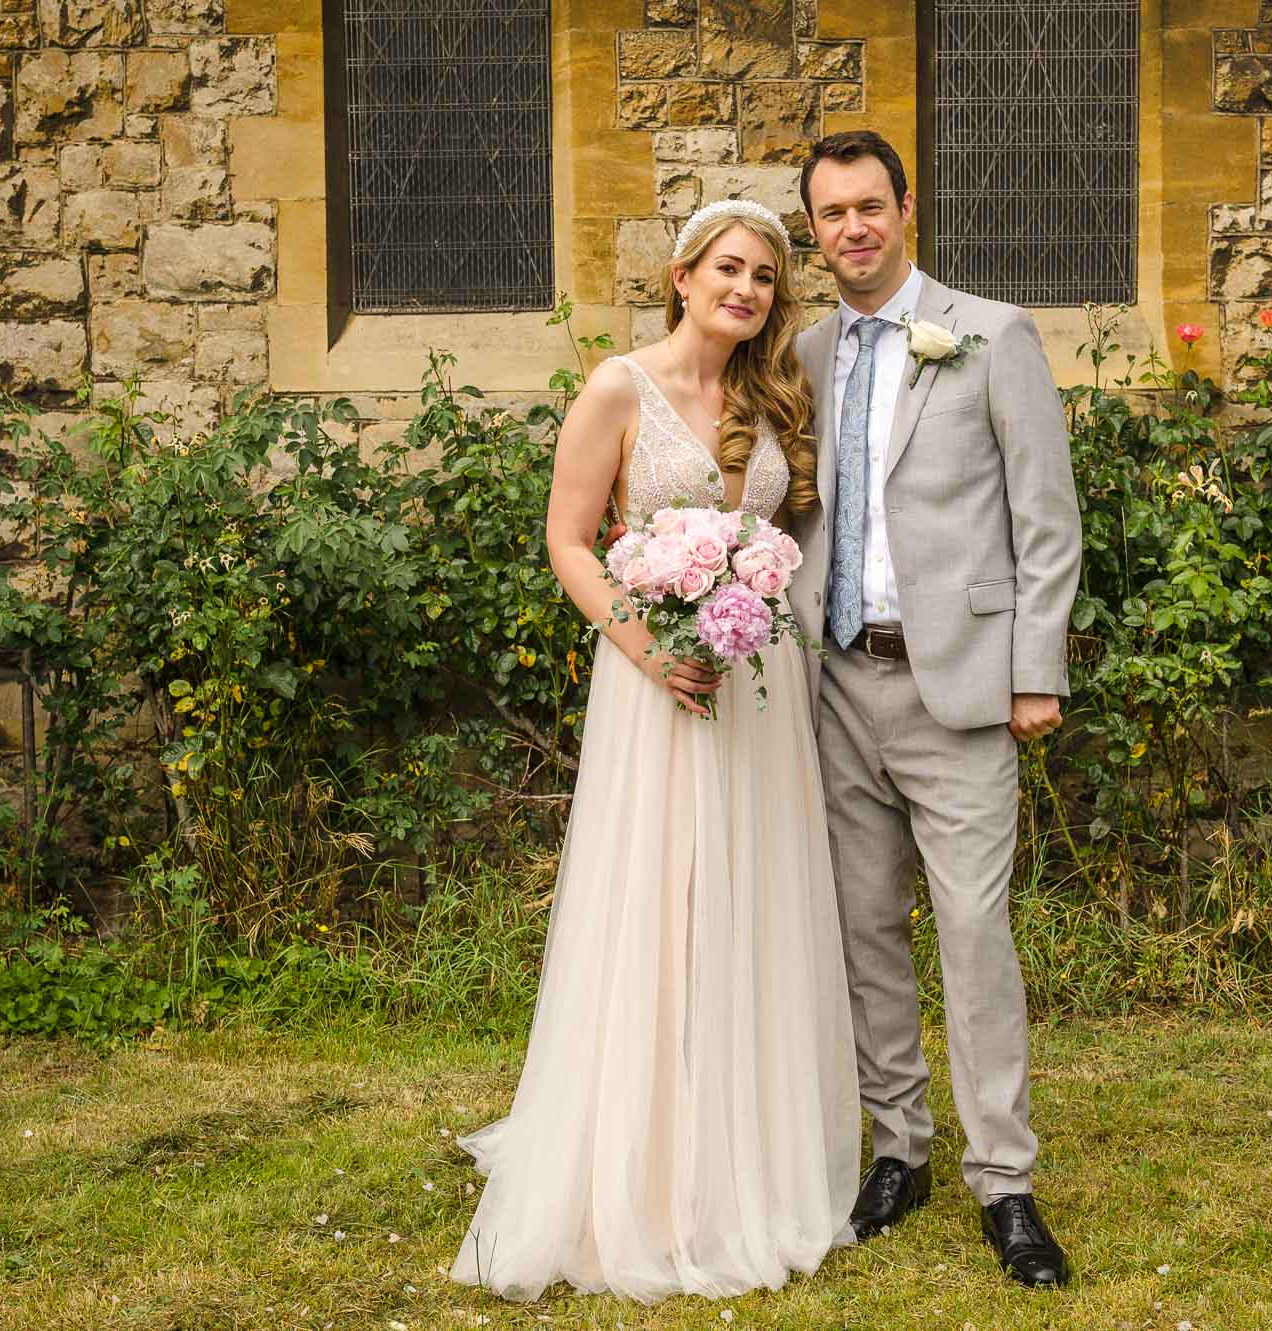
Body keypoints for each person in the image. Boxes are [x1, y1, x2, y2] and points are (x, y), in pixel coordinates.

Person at [450, 198, 859, 1303]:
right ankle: (648, 1167)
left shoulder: (774, 396)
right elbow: (568, 539)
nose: (745, 290)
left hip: (759, 693)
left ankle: (746, 1156)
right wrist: (644, 649)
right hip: (657, 685)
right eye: (728, 269)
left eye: (765, 279)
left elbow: (782, 539)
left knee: (748, 906)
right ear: (681, 275)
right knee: (661, 904)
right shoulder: (616, 387)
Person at [789, 130, 1083, 1289]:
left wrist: (1035, 669)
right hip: (834, 682)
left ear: (905, 209)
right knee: (864, 929)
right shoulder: (807, 351)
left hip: (957, 686)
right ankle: (896, 1148)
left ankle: (1003, 1180)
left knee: (972, 933)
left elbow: (1043, 517)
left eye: (869, 205)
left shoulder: (987, 332)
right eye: (829, 214)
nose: (851, 228)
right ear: (811, 230)